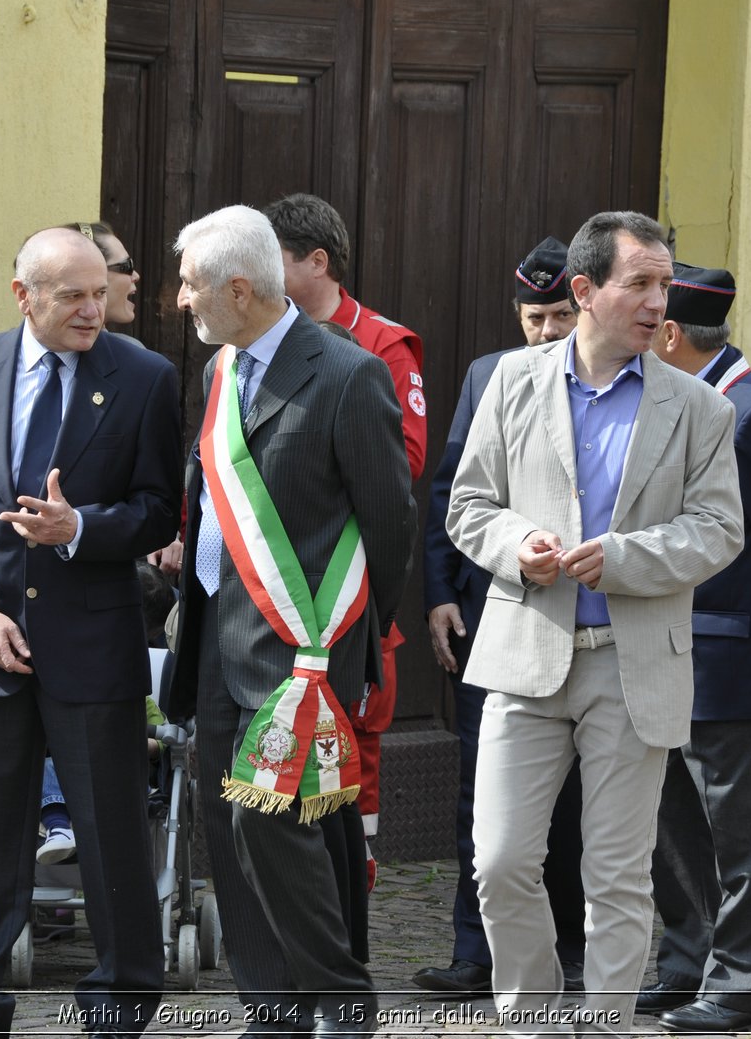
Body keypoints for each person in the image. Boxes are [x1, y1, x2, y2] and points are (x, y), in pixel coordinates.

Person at [447, 210, 743, 1035]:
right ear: (585, 290)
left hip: (632, 660)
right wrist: (518, 545)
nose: (660, 300)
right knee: (501, 861)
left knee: (616, 874)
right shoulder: (510, 381)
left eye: (664, 282)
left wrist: (622, 557)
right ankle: (533, 1020)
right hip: (525, 650)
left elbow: (719, 531)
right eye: (640, 282)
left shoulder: (700, 408)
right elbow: (468, 505)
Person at [0, 226, 181, 1037]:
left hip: (94, 648)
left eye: (100, 292)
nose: (93, 309)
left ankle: (123, 1000)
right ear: (23, 294)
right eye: (73, 295)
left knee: (109, 837)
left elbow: (159, 511)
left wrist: (77, 527)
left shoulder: (144, 377)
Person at [166, 204, 415, 1036]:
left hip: (304, 642)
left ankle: (341, 997)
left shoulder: (347, 374)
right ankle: (271, 1002)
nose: (179, 300)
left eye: (191, 284)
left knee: (272, 817)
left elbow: (389, 522)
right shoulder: (218, 371)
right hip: (216, 638)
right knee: (236, 832)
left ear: (240, 288)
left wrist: (350, 643)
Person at [415, 236, 584, 997]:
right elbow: (452, 492)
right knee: (482, 796)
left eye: (557, 314)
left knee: (575, 803)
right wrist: (440, 595)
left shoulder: (610, 377)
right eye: (533, 316)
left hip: (584, 618)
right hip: (494, 615)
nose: (546, 331)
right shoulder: (491, 374)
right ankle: (473, 953)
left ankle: (569, 955)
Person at [638, 263, 751, 1033]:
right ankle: (684, 962)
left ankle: (737, 988)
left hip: (736, 667)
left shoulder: (750, 415)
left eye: (650, 326)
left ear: (672, 335)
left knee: (746, 844)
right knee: (671, 831)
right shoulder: (690, 401)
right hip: (666, 662)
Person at [263, 193, 425, 852]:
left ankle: (355, 882)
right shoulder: (266, 337)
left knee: (355, 744)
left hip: (346, 587)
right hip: (272, 583)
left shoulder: (383, 343)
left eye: (273, 260)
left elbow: (406, 460)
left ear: (318, 261)